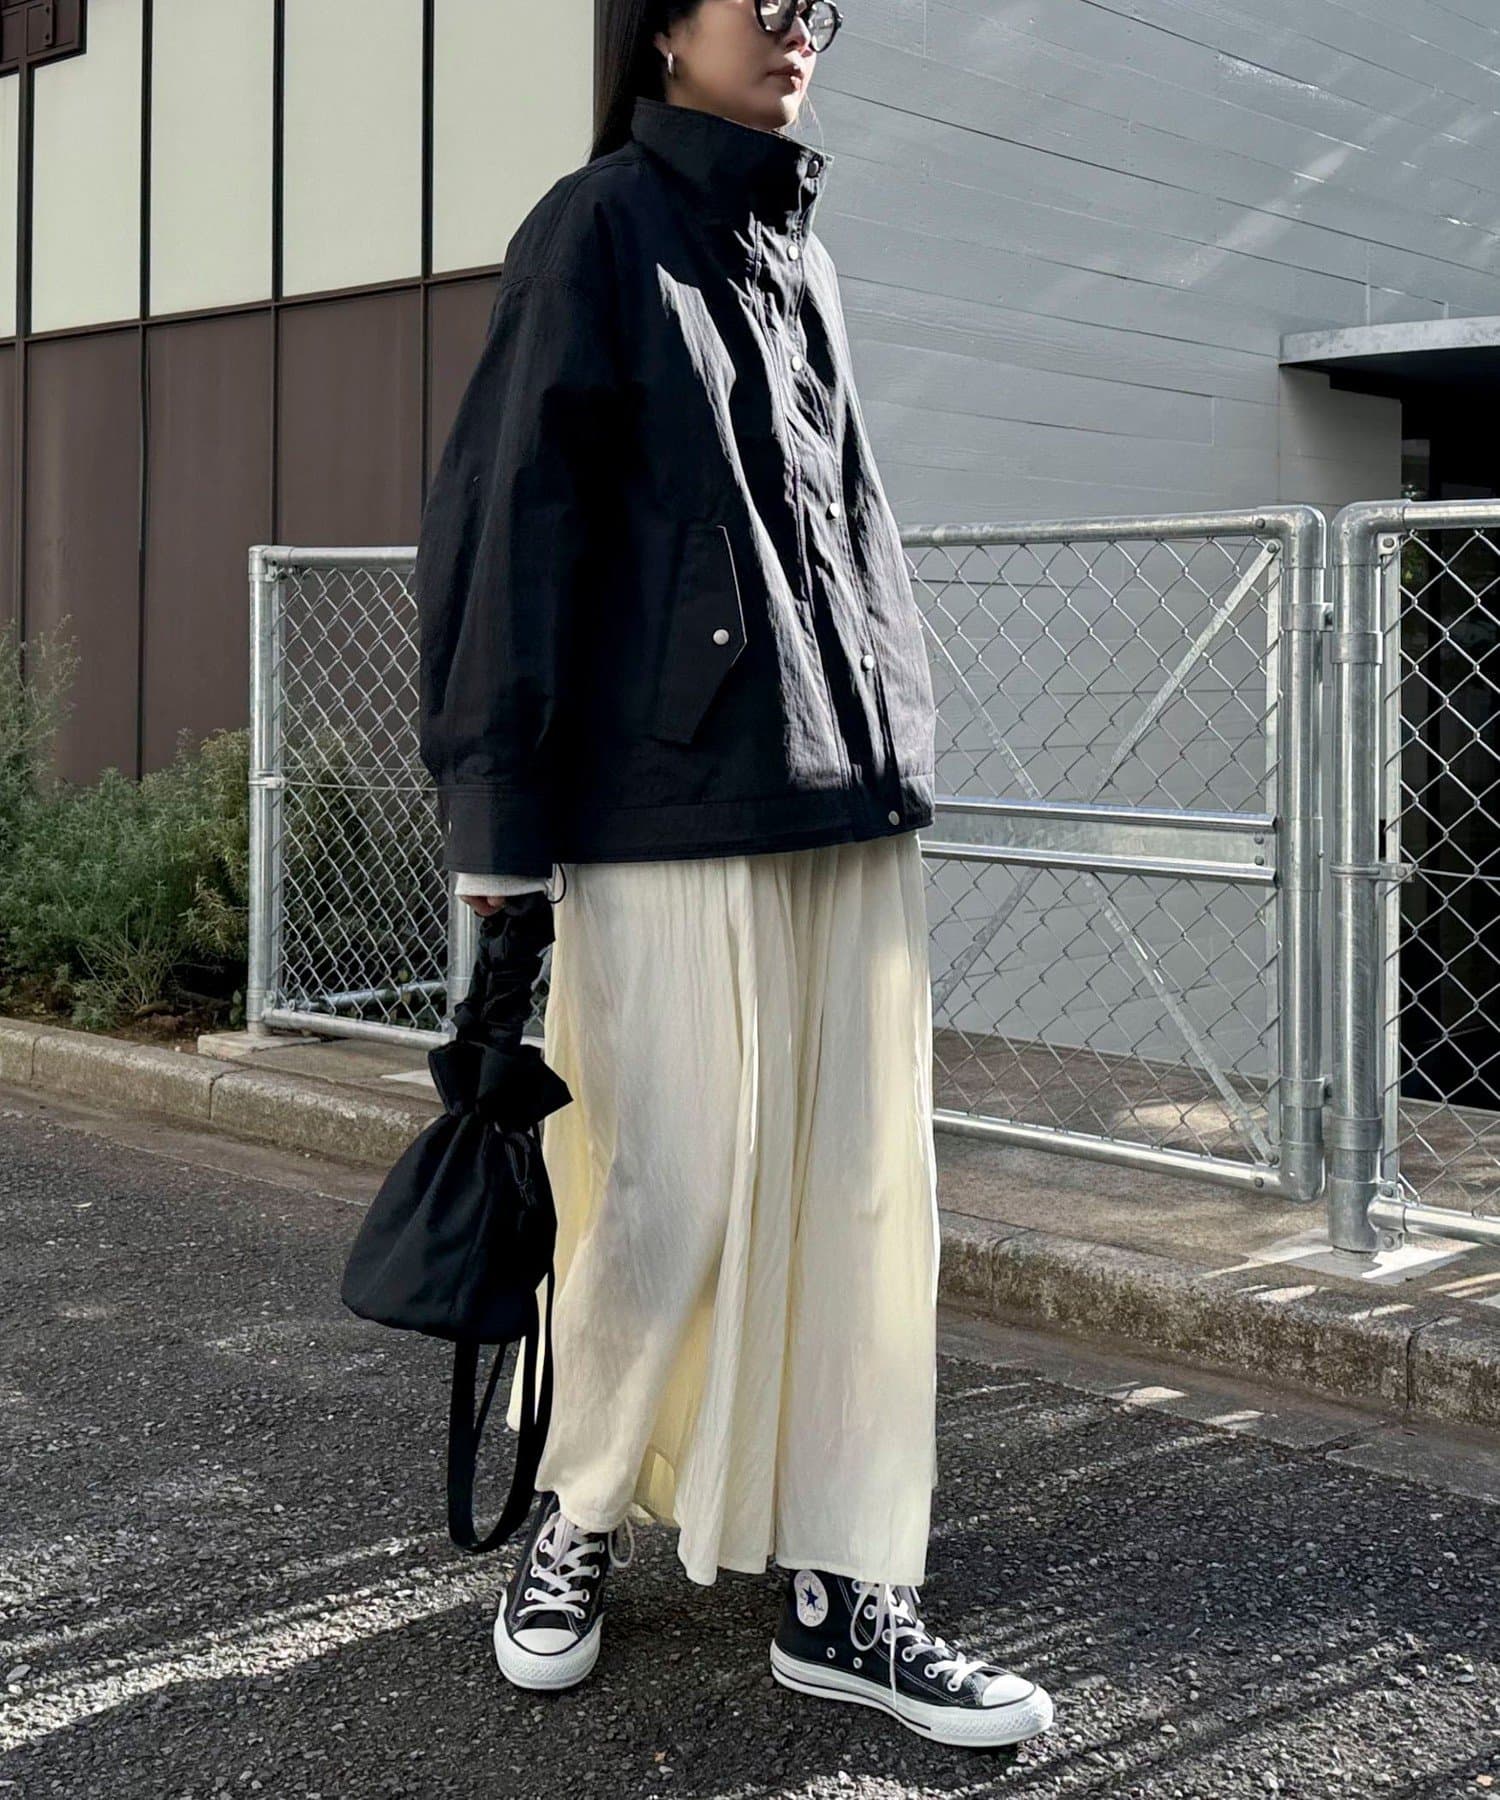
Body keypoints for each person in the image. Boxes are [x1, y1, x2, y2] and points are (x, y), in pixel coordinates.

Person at [413, 0, 1054, 1752]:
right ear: (659, 29)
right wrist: (499, 841)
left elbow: (844, 525)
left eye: (817, 2)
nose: (795, 26)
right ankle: (578, 1507)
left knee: (862, 1199)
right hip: (661, 801)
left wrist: (895, 727)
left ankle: (850, 1582)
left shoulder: (804, 257)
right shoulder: (596, 228)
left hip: (842, 795)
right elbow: (508, 528)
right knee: (667, 1184)